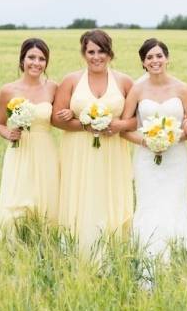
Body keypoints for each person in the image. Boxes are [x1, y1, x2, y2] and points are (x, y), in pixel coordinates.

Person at [51, 29, 135, 257]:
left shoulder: (125, 82)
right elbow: (55, 119)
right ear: (83, 53)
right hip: (78, 151)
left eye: (102, 51)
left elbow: (137, 119)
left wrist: (118, 125)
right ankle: (77, 248)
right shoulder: (71, 80)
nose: (96, 57)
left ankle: (113, 247)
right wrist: (83, 124)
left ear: (110, 53)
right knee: (81, 193)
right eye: (91, 52)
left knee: (109, 193)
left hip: (113, 151)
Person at [120, 38, 187, 261]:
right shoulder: (137, 90)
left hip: (177, 157)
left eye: (159, 56)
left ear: (167, 58)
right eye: (149, 57)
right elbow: (125, 129)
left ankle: (180, 253)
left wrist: (173, 137)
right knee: (149, 202)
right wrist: (147, 142)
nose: (155, 61)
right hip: (145, 158)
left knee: (176, 201)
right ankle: (147, 252)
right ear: (143, 63)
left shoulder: (182, 88)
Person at [0, 38, 59, 239]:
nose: (36, 63)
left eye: (42, 59)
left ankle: (46, 242)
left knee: (46, 198)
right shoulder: (8, 90)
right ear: (22, 60)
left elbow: (57, 118)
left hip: (45, 149)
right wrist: (9, 133)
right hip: (20, 150)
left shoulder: (53, 88)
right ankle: (11, 244)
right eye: (31, 57)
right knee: (18, 198)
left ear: (46, 63)